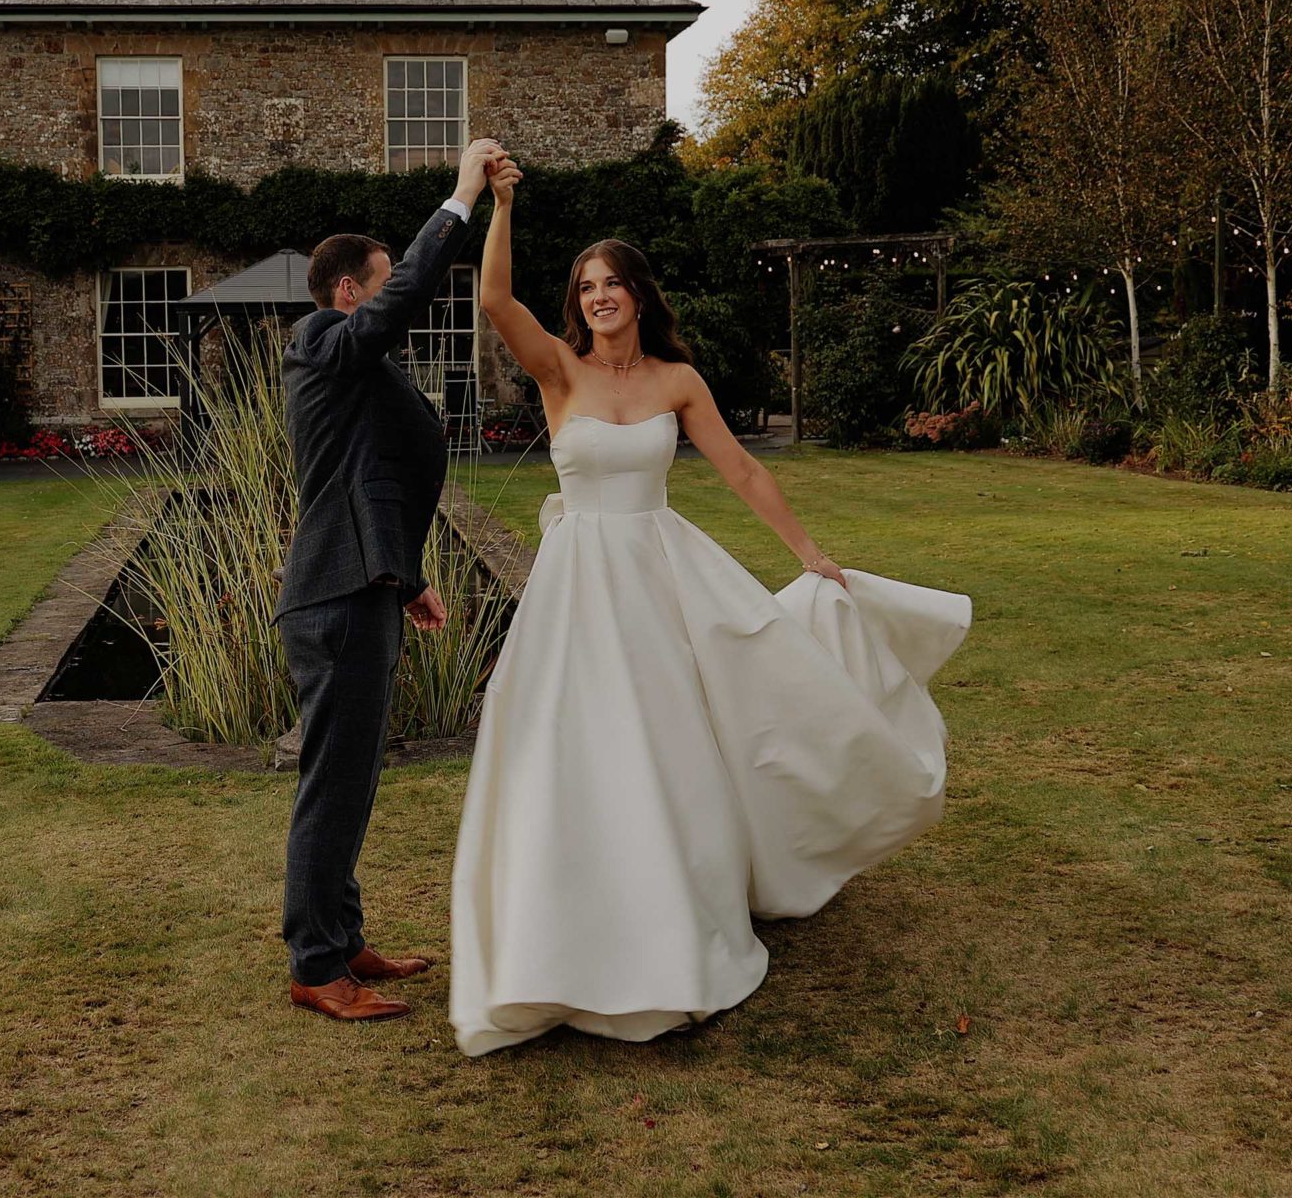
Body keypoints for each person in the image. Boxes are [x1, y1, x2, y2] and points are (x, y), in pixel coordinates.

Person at [448, 152, 973, 1056]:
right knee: (572, 740)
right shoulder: (559, 373)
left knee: (672, 735)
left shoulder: (676, 382)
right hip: (576, 588)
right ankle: (563, 925)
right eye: (587, 286)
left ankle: (677, 909)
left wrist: (810, 555)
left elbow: (741, 468)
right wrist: (495, 202)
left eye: (613, 283)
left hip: (657, 578)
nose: (600, 296)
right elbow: (496, 302)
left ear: (639, 297)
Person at [276, 135, 509, 1022]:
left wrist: (405, 577)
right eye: (381, 280)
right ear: (350, 291)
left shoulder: (350, 365)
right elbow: (405, 297)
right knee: (332, 782)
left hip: (360, 585)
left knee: (356, 773)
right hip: (332, 598)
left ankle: (342, 940)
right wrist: (460, 200)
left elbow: (368, 475)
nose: (390, 293)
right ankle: (314, 967)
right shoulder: (323, 338)